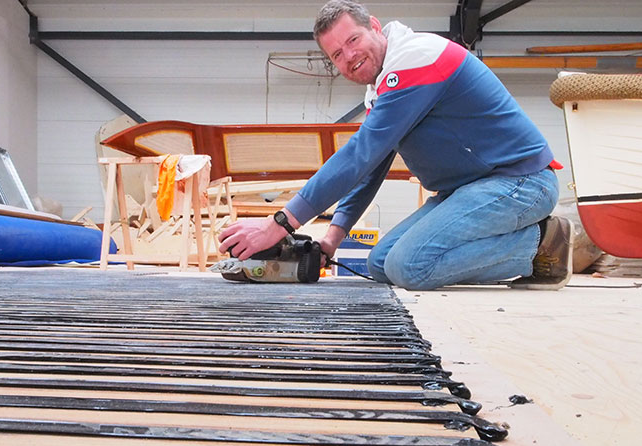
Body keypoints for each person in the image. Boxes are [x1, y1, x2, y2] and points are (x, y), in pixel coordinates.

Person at [218, 0, 574, 290]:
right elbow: (369, 169)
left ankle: (542, 243)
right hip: (467, 191)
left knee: (411, 267)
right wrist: (331, 239)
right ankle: (525, 242)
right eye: (337, 55)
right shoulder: (383, 90)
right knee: (379, 264)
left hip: (520, 182)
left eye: (353, 40)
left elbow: (361, 154)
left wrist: (279, 224)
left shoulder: (416, 58)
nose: (349, 57)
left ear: (374, 26)